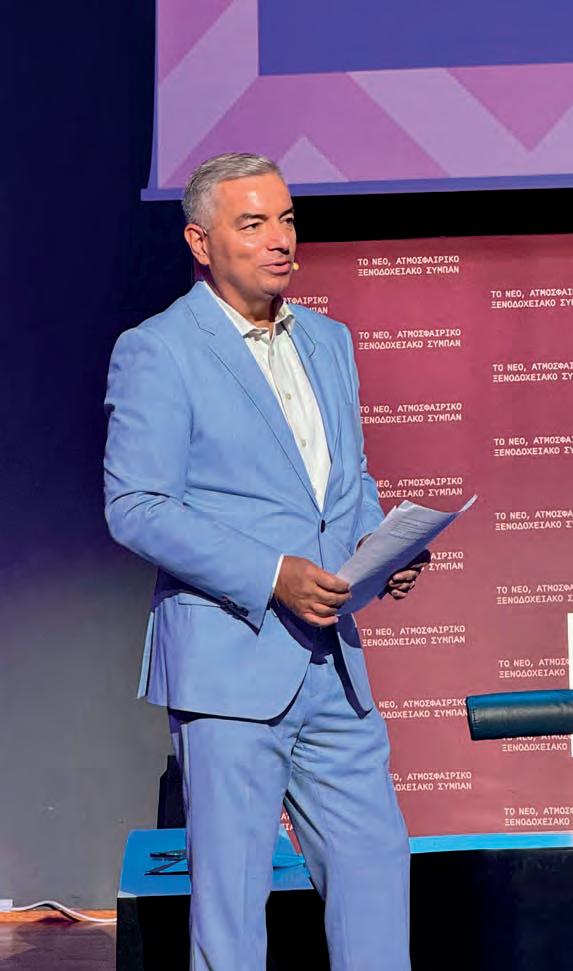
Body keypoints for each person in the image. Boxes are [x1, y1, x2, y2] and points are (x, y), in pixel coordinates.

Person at [104, 152, 427, 971]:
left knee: (374, 873)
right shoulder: (159, 349)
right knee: (233, 907)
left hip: (335, 667)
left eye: (286, 219)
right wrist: (272, 573)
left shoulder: (328, 340)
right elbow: (136, 505)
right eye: (253, 223)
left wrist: (380, 547)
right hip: (229, 666)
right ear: (200, 242)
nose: (280, 239)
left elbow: (344, 481)